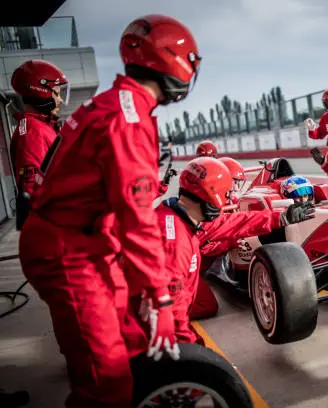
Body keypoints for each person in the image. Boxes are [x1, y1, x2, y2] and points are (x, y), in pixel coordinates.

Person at [18, 14, 201, 408]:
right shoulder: (128, 120)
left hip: (86, 241)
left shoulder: (116, 102)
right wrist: (162, 298)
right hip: (69, 250)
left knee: (132, 343)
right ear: (174, 61)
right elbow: (136, 221)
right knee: (109, 383)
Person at [161, 157, 315, 325]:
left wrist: (282, 217)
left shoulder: (185, 216)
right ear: (210, 194)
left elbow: (236, 221)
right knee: (206, 305)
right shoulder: (175, 242)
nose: (230, 196)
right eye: (225, 193)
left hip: (179, 276)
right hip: (157, 304)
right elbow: (170, 318)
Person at [9, 59, 69, 230]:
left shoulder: (38, 127)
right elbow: (33, 188)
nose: (59, 99)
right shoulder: (33, 133)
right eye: (56, 93)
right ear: (41, 91)